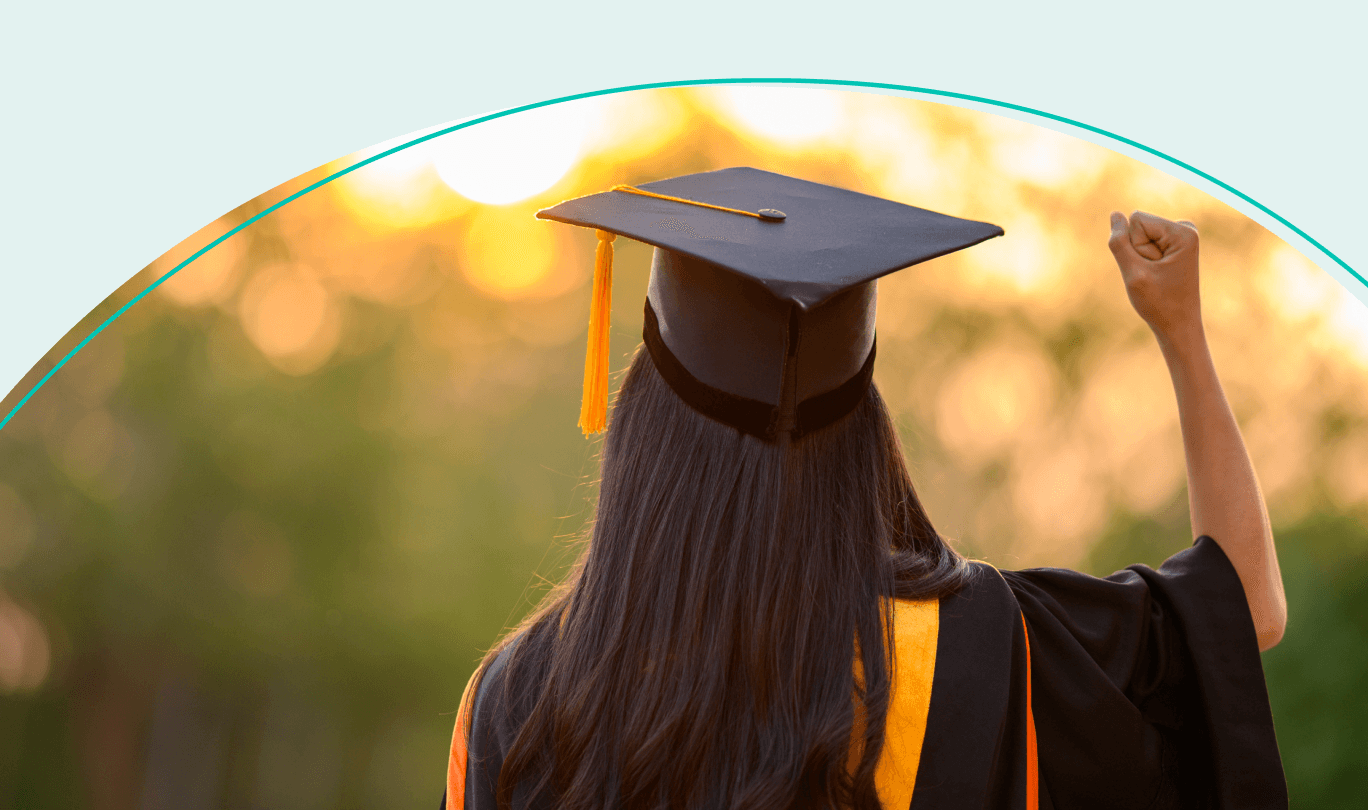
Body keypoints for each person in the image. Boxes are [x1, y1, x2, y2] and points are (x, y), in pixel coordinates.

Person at [441, 168, 1288, 809]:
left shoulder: (514, 701)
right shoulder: (976, 646)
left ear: (641, 417)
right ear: (864, 428)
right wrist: (1181, 333)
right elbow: (1239, 612)